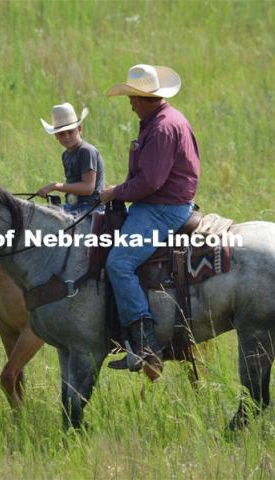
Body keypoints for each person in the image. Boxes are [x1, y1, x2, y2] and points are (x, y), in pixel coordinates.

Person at [100, 64, 200, 373]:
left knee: (119, 263)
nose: (129, 103)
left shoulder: (161, 128)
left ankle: (146, 344)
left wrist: (115, 192)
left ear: (145, 98)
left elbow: (151, 182)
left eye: (132, 97)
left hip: (161, 207)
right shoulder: (164, 120)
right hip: (163, 202)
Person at [38, 103, 105, 215]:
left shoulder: (86, 151)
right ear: (56, 136)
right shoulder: (65, 155)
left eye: (70, 131)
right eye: (61, 134)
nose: (67, 137)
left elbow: (88, 188)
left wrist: (55, 186)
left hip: (90, 207)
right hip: (72, 205)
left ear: (79, 129)